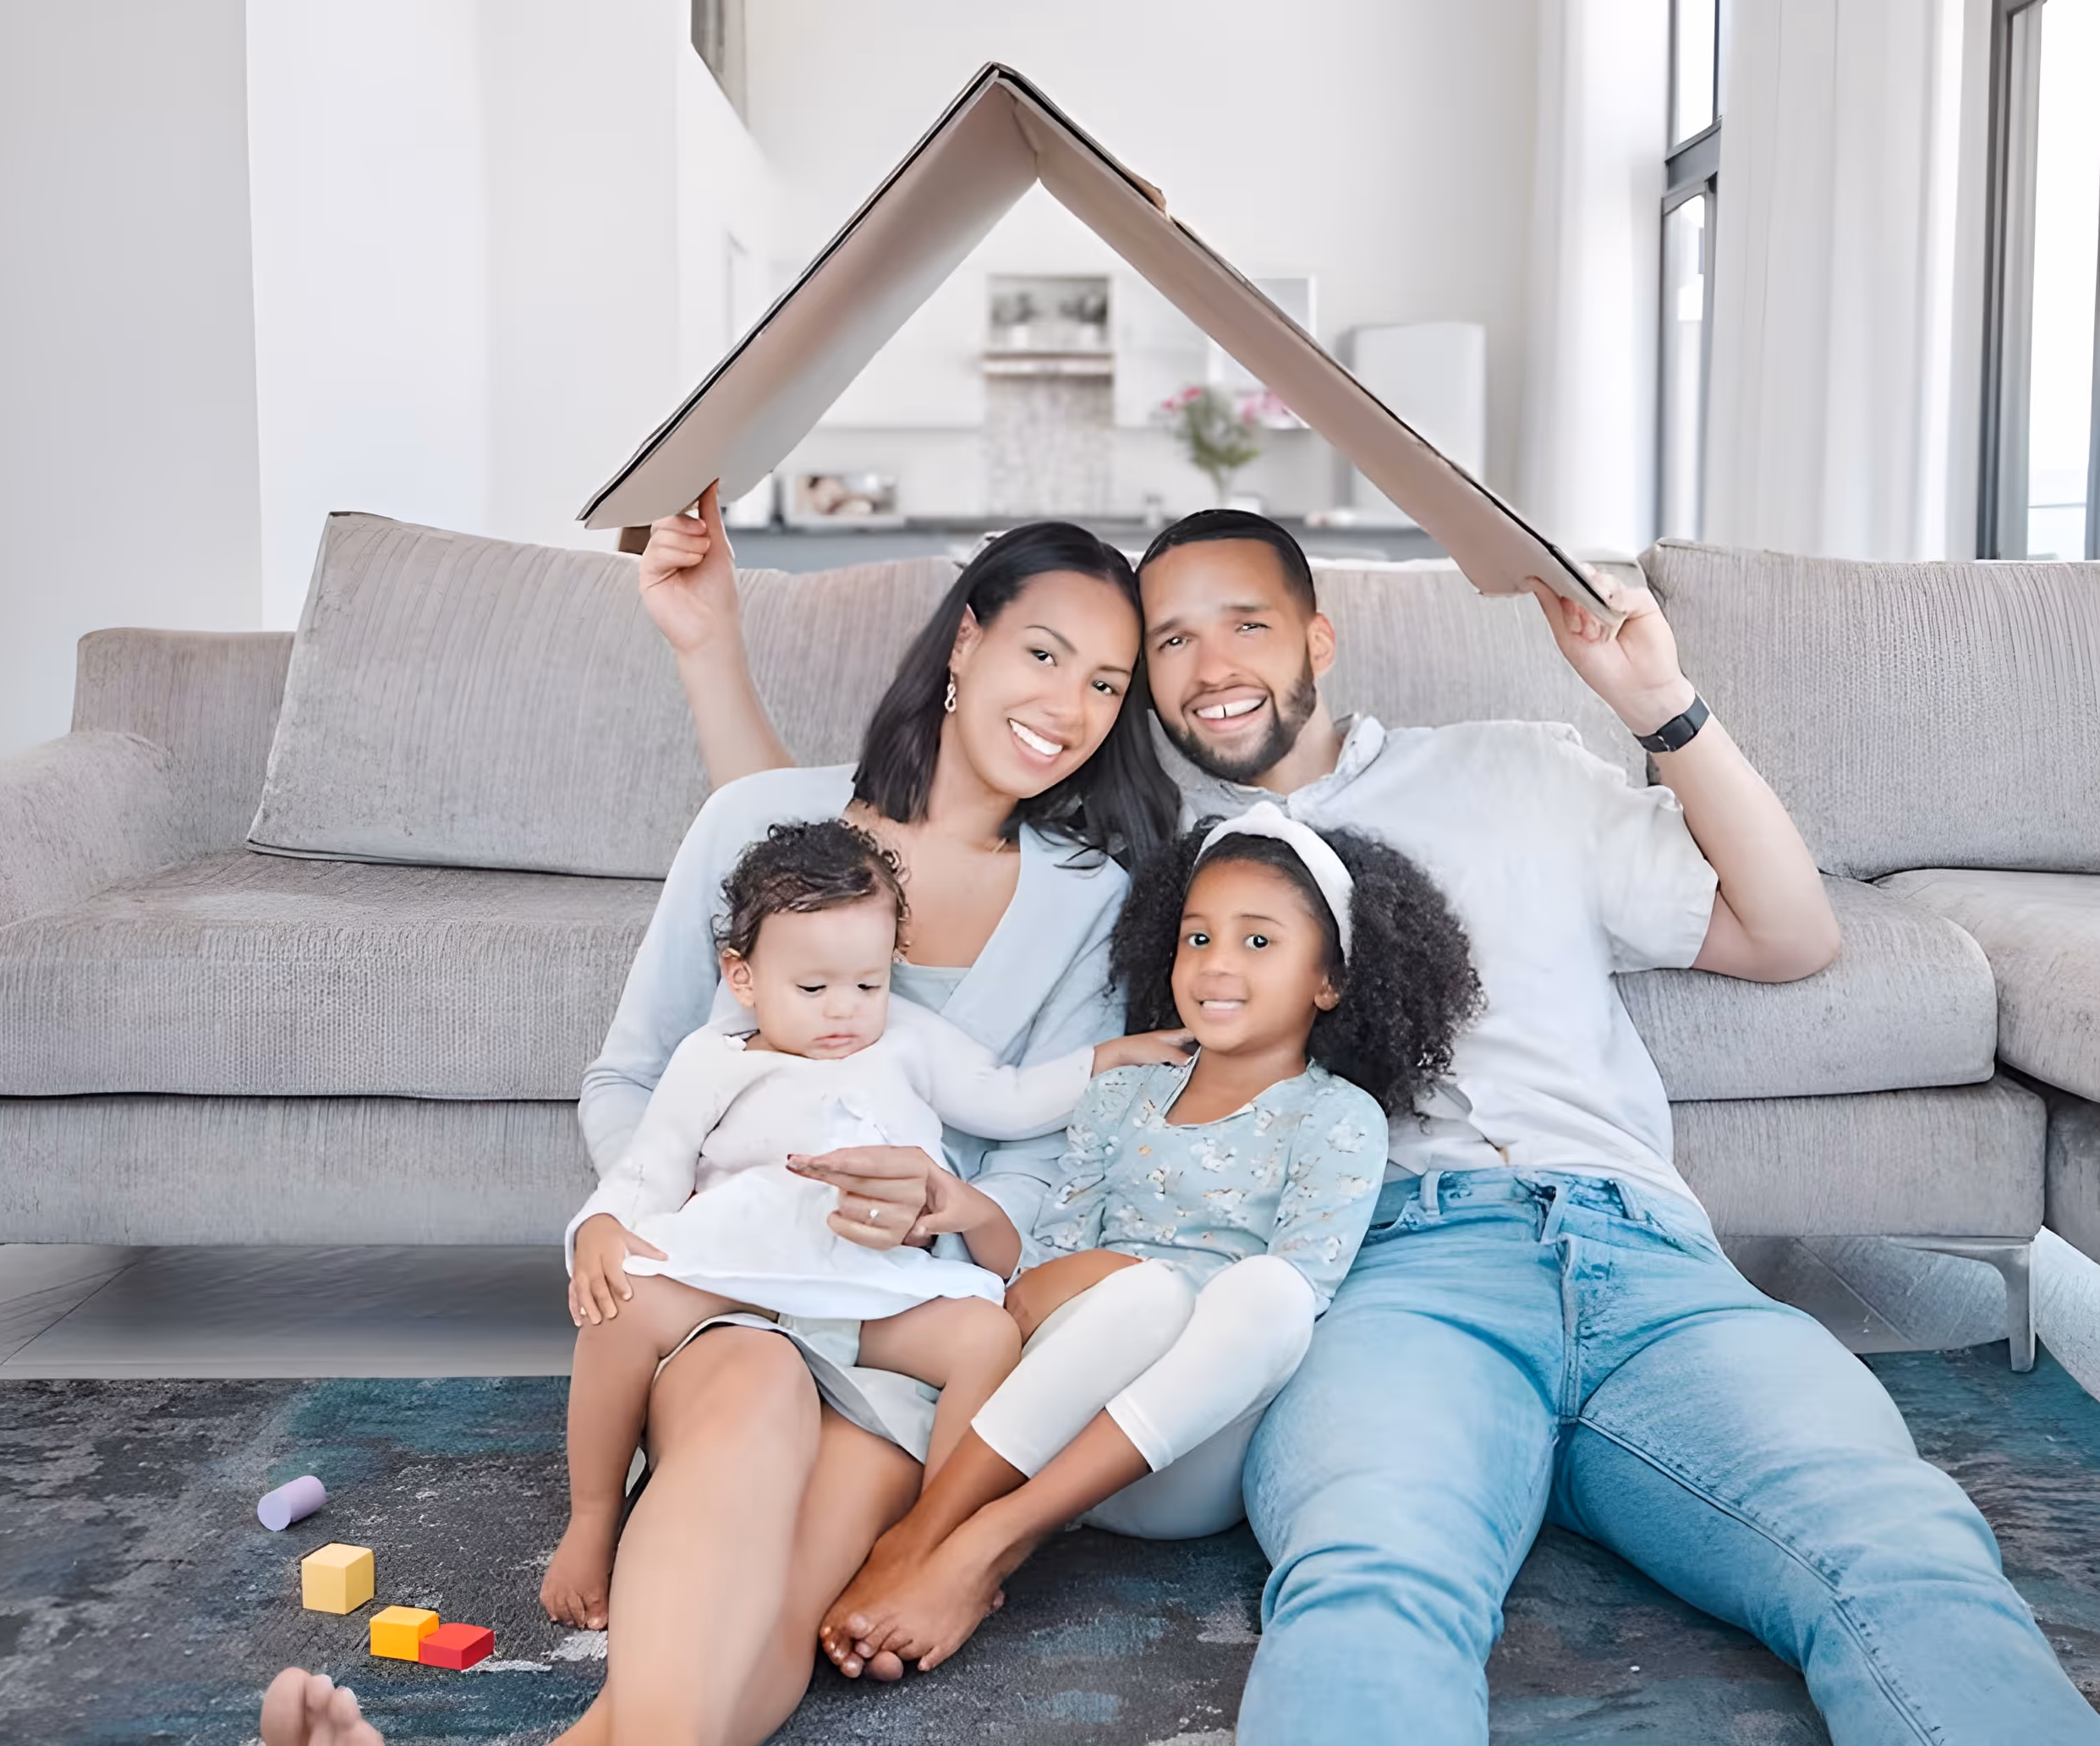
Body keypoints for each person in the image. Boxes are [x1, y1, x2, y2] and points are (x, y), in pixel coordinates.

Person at [604, 500, 2100, 1743]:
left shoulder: (1516, 762)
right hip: (1375, 1274)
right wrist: (709, 664)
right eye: (1162, 646)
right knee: (1370, 1569)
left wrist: (1659, 703)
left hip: (1645, 1255)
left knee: (1896, 1541)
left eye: (1239, 621)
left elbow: (1790, 935)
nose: (1204, 665)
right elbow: (843, 887)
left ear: (1317, 636)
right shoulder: (1145, 859)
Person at [255, 504, 1179, 1746]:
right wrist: (664, 1225)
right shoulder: (761, 825)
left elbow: (1045, 1174)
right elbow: (632, 1082)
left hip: (903, 1323)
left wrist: (951, 1205)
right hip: (732, 1294)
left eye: (1108, 682)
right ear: (966, 641)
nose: (1069, 704)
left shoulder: (1091, 897)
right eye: (1045, 653)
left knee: (789, 1607)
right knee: (747, 1395)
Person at [814, 804, 1480, 1674]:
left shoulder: (1336, 1120)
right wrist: (1007, 1228)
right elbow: (1031, 1294)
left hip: (1178, 1461)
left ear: (1329, 981)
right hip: (1052, 1408)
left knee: (1269, 1292)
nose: (1215, 966)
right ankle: (927, 1535)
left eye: (1256, 942)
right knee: (1142, 1294)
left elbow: (1291, 1312)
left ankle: (990, 1542)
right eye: (1196, 939)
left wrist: (1139, 1281)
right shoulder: (1119, 1096)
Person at [545, 816, 1192, 1628]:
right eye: (812, 990)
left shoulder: (910, 1041)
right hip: (739, 1276)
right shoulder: (714, 1057)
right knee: (618, 1309)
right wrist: (602, 1226)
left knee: (985, 1338)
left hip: (869, 1287)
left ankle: (936, 1534)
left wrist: (1110, 1057)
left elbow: (1010, 1098)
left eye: (869, 984)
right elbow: (650, 1167)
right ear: (742, 977)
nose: (844, 1012)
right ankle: (592, 1518)